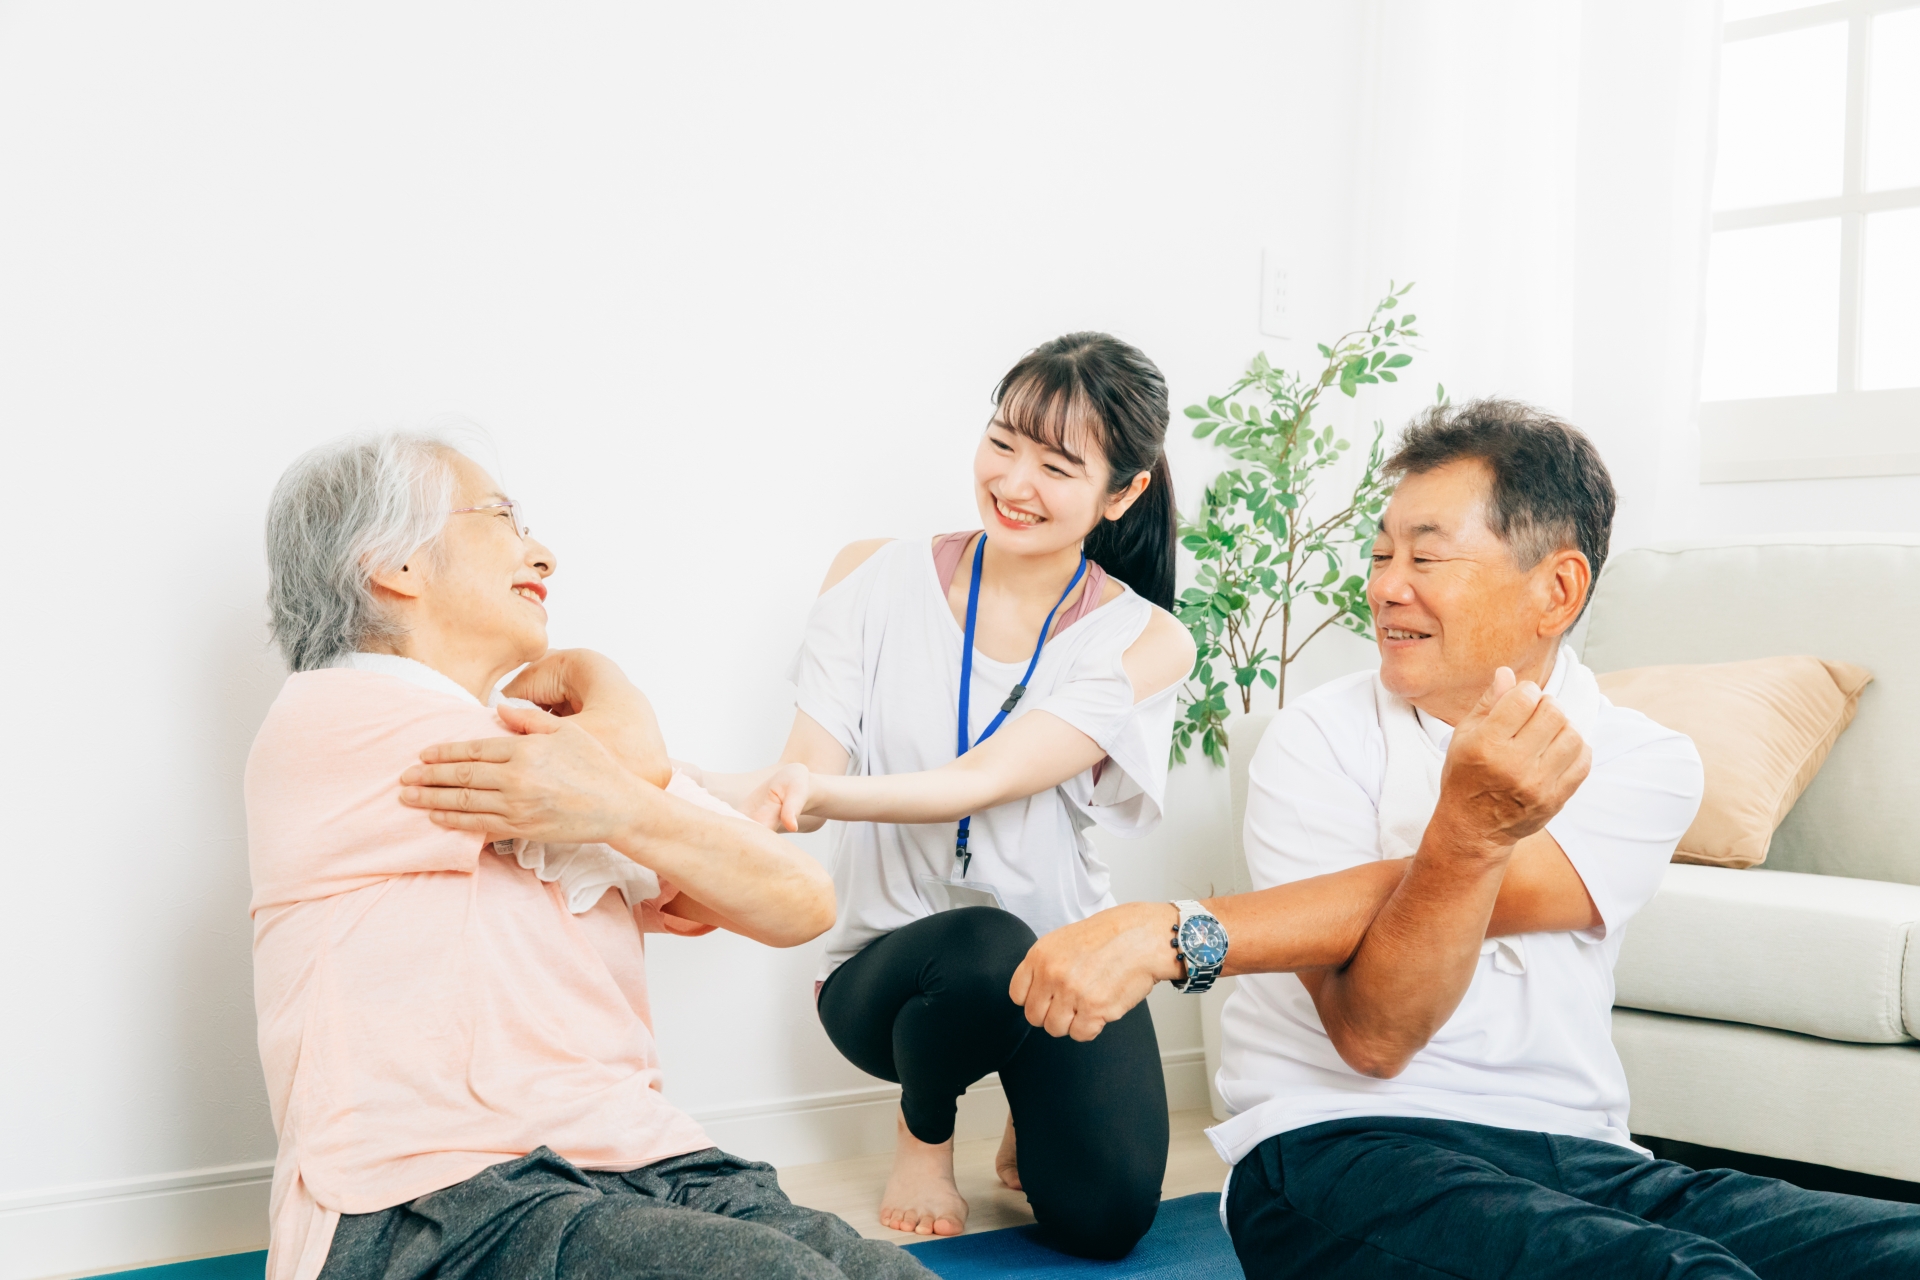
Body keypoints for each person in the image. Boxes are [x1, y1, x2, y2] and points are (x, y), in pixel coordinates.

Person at [1006, 399, 1920, 1277]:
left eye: (1426, 558)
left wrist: (1174, 930)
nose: (1383, 586)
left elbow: (1438, 897)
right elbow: (1374, 1035)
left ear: (1557, 590)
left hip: (1584, 1155)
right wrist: (1471, 835)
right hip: (1339, 1152)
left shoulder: (1646, 760)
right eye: (1380, 554)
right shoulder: (1313, 738)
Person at [247, 431, 932, 1280]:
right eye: (503, 517)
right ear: (395, 563)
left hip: (651, 1167)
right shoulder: (332, 720)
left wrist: (623, 801)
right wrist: (613, 693)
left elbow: (801, 897)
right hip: (433, 1204)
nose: (543, 554)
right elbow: (634, 754)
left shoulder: (573, 764)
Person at [687, 333, 1195, 1258]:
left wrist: (814, 790)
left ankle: (1027, 1102)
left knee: (1106, 1222)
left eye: (1057, 466)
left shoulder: (1145, 639)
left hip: (1061, 965)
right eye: (1002, 442)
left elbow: (984, 779)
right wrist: (653, 776)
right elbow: (800, 785)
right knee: (983, 945)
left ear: (1122, 494)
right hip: (889, 981)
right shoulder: (872, 576)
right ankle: (924, 1130)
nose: (1014, 482)